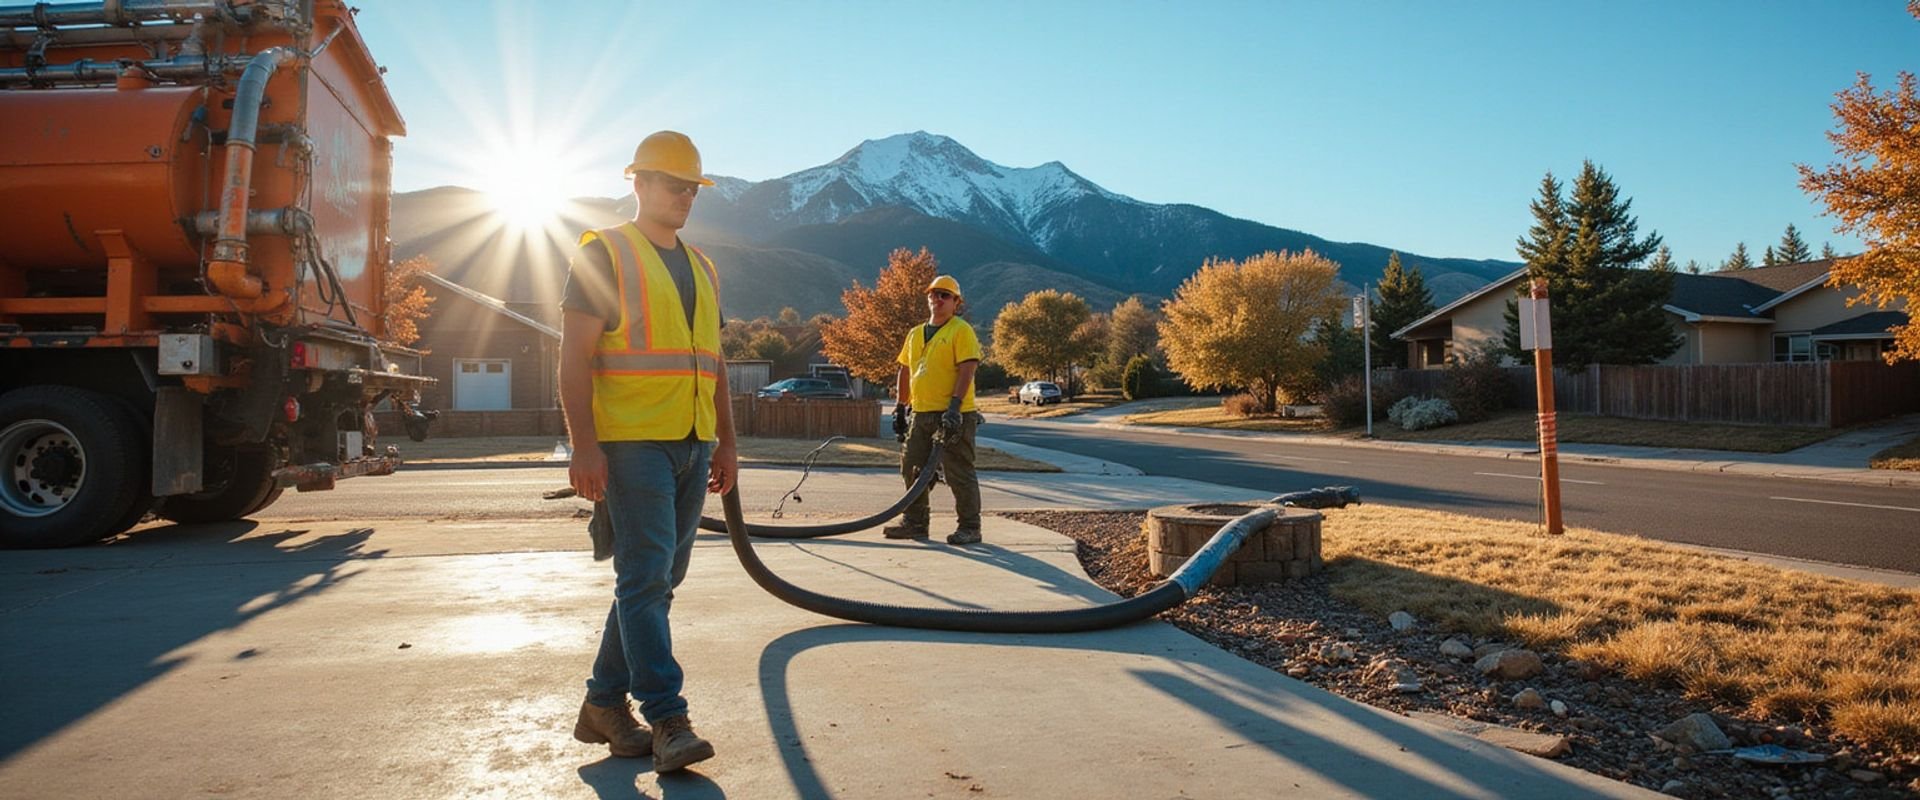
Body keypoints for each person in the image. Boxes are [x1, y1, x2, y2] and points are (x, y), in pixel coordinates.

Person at [559, 130, 736, 773]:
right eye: (672, 184)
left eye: (692, 187)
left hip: (694, 444)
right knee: (643, 580)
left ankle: (604, 703)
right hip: (630, 444)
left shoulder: (705, 267)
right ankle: (667, 718)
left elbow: (714, 366)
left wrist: (727, 446)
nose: (684, 196)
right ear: (637, 182)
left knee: (658, 583)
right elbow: (573, 357)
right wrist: (583, 445)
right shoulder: (604, 254)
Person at [884, 275, 984, 545]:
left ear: (956, 302)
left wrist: (954, 407)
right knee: (912, 467)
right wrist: (901, 407)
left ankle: (970, 526)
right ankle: (915, 523)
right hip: (922, 413)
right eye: (934, 294)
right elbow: (905, 370)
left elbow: (967, 369)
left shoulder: (960, 330)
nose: (937, 299)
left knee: (958, 470)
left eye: (945, 295)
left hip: (954, 415)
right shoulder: (915, 333)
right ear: (927, 298)